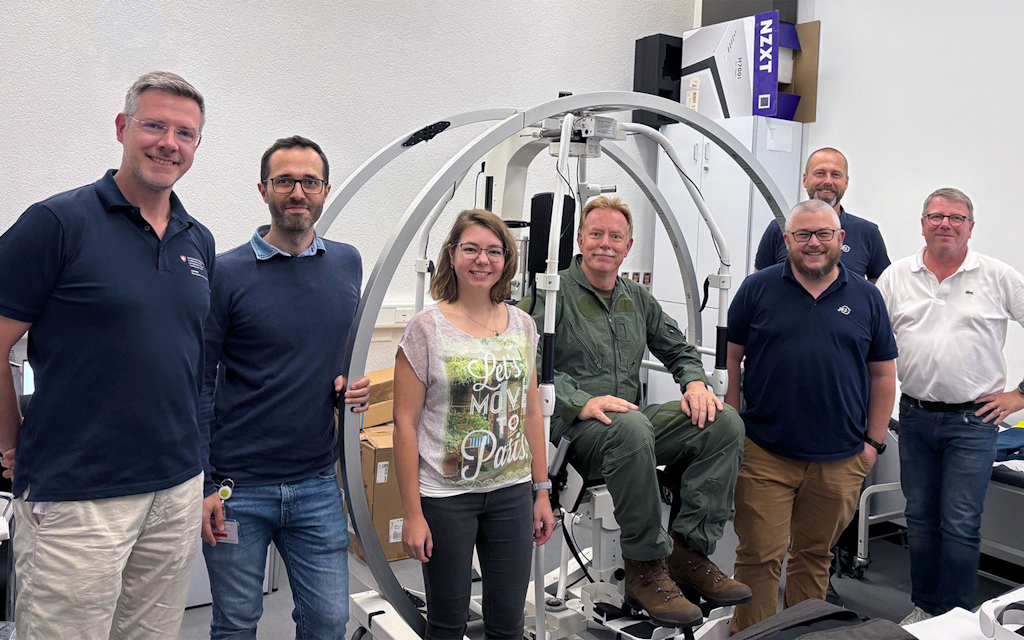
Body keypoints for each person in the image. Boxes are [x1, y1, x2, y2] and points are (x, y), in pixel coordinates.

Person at [0, 71, 213, 639]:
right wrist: (7, 445)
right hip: (78, 494)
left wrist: (199, 470)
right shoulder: (56, 224)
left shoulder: (199, 240)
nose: (169, 142)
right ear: (123, 128)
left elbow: (188, 361)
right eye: (154, 125)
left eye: (185, 133)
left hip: (174, 486)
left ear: (196, 146)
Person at [522, 196, 750, 628]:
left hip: (631, 427)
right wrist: (579, 400)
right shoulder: (553, 292)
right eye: (596, 235)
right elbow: (528, 362)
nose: (604, 244)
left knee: (724, 421)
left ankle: (689, 554)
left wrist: (696, 383)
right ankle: (645, 569)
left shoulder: (637, 299)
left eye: (615, 237)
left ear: (628, 247)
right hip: (573, 435)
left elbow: (680, 350)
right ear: (581, 240)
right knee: (629, 426)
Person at [199, 136, 370, 638]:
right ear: (264, 190)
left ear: (325, 190)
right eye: (285, 181)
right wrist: (206, 483)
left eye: (309, 181)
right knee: (235, 623)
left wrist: (345, 386)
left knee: (327, 620)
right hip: (238, 488)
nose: (298, 192)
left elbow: (333, 349)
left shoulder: (347, 262)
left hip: (316, 483)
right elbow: (199, 382)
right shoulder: (225, 272)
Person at [726, 199, 898, 633]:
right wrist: (731, 431)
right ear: (787, 242)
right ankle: (752, 635)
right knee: (758, 557)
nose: (814, 243)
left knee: (814, 557)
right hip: (765, 452)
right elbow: (731, 363)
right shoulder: (757, 289)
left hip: (840, 458)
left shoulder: (867, 297)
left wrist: (872, 445)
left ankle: (801, 634)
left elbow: (883, 375)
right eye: (802, 235)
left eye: (824, 234)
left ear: (841, 239)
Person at [394, 209, 555, 639]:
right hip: (447, 498)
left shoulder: (523, 325)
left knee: (508, 624)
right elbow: (404, 424)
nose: (482, 260)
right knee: (446, 624)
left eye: (493, 251)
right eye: (471, 249)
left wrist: (541, 491)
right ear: (452, 255)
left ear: (506, 260)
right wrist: (412, 514)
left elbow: (531, 412)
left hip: (511, 492)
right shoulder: (425, 329)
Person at [876, 188, 1024, 624]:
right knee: (919, 518)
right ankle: (924, 608)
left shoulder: (997, 276)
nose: (946, 225)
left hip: (974, 421)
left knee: (960, 522)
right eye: (937, 216)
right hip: (916, 416)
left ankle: (956, 619)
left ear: (971, 227)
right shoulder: (896, 276)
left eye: (956, 218)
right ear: (922, 222)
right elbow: (870, 342)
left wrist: (1020, 395)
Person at [754, 147, 890, 281]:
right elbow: (758, 287)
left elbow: (881, 294)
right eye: (820, 173)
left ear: (846, 182)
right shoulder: (779, 227)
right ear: (805, 179)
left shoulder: (867, 232)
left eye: (836, 174)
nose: (828, 181)